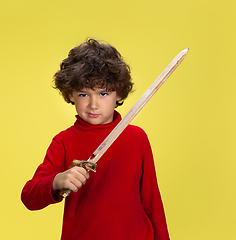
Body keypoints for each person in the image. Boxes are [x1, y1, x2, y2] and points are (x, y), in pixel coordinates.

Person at [21, 38, 170, 240]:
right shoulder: (63, 142)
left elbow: (152, 201)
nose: (93, 105)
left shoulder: (137, 138)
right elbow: (29, 197)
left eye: (103, 93)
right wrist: (57, 181)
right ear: (70, 94)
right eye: (83, 94)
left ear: (118, 93)